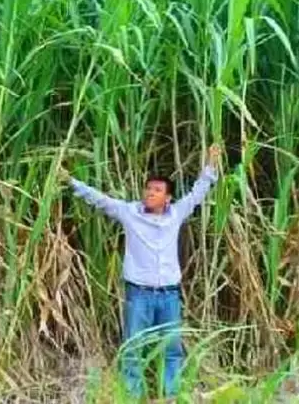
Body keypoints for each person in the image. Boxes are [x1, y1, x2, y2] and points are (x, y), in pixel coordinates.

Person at [61, 144, 221, 401]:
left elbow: (197, 193)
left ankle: (171, 395)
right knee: (133, 348)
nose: (150, 193)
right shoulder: (130, 213)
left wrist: (211, 165)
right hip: (139, 294)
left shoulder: (176, 213)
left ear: (167, 197)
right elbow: (100, 200)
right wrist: (71, 182)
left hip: (169, 295)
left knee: (172, 349)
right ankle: (133, 396)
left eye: (157, 190)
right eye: (148, 189)